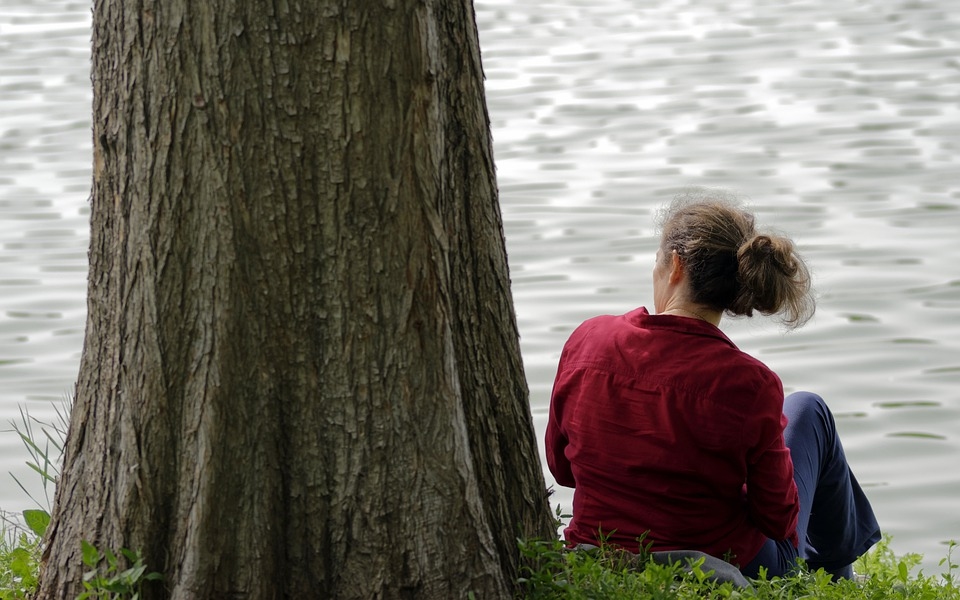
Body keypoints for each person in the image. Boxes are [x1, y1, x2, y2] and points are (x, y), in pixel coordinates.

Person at [545, 189, 881, 579]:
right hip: (720, 567)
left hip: (599, 551)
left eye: (655, 261)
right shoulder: (750, 384)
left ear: (674, 266)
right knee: (809, 410)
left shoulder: (588, 339)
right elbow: (778, 520)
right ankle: (839, 580)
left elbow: (561, 468)